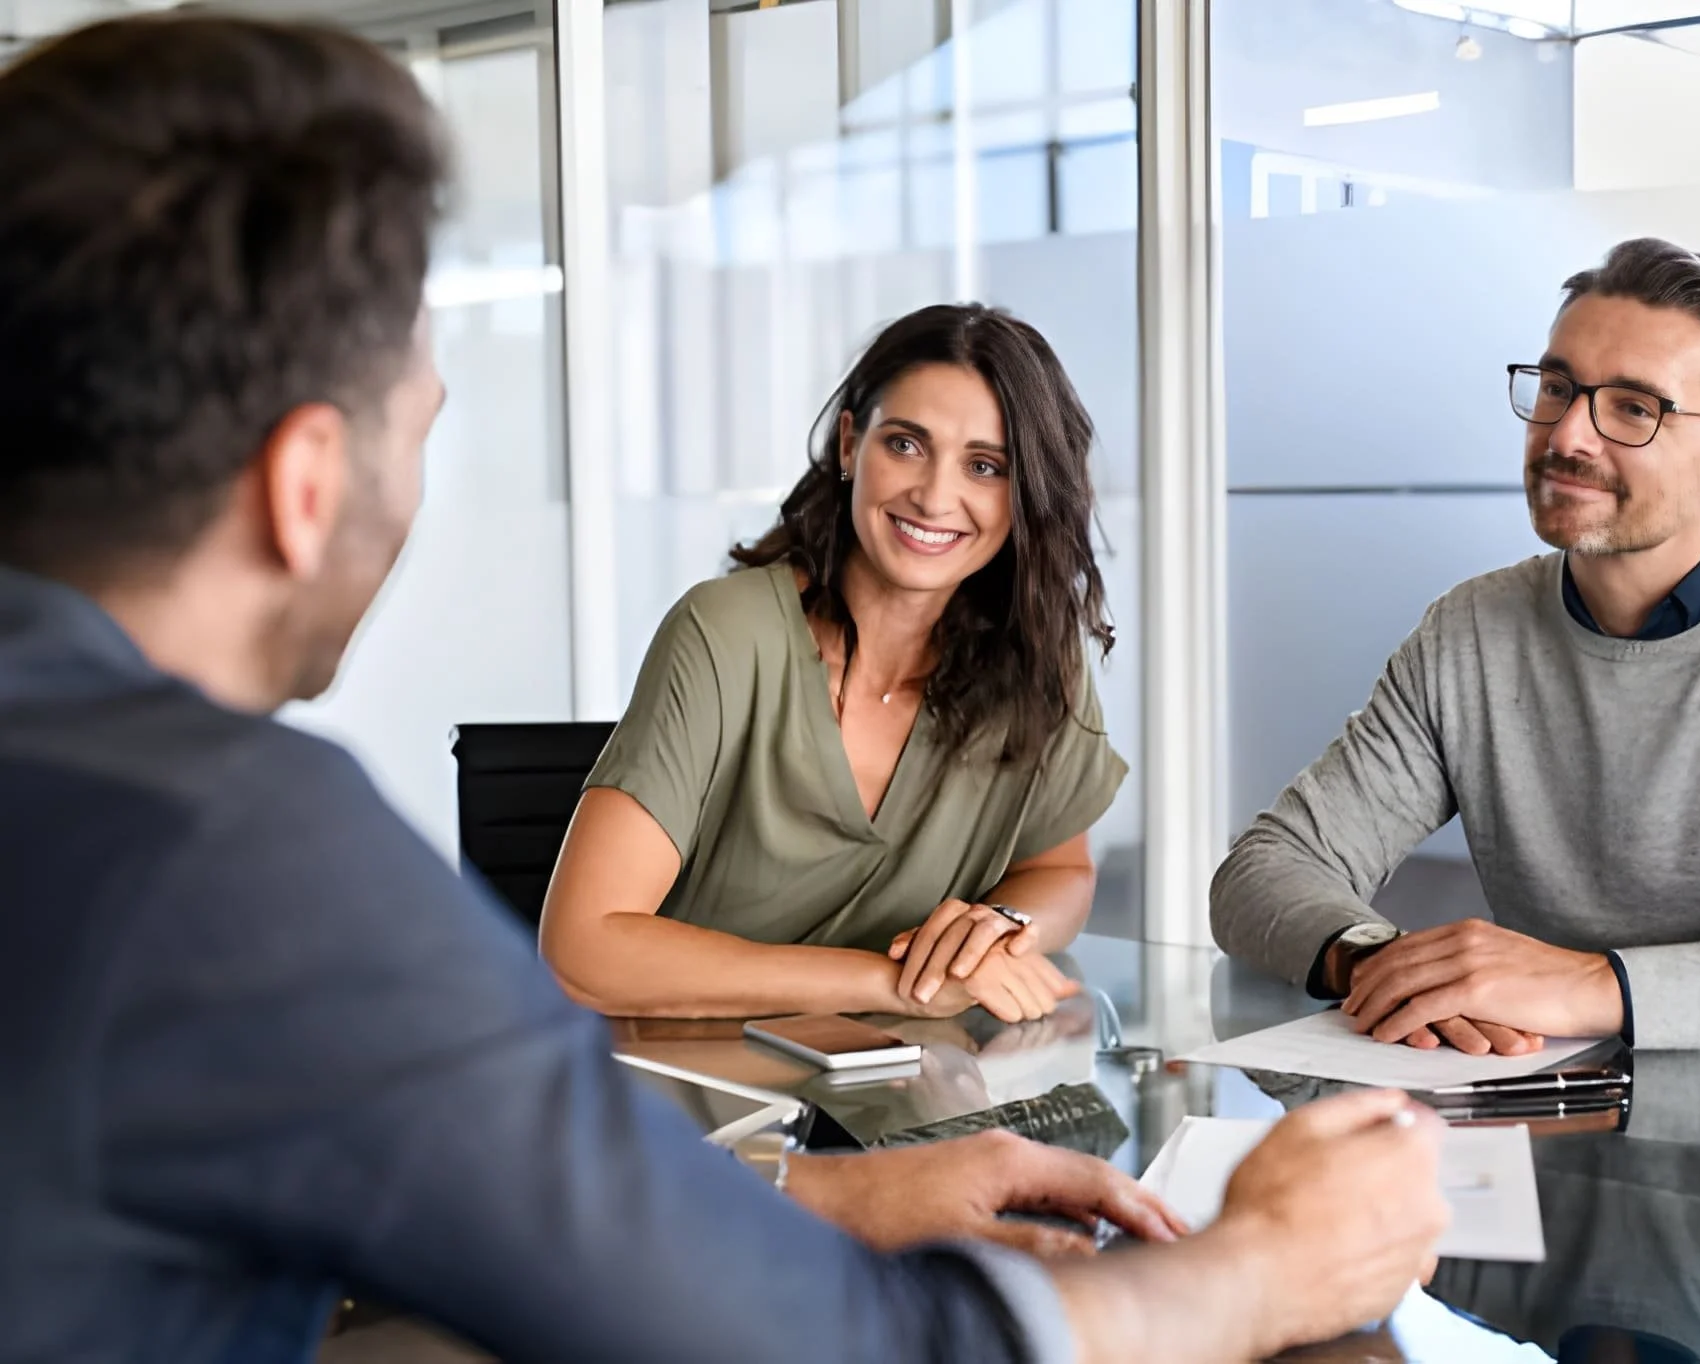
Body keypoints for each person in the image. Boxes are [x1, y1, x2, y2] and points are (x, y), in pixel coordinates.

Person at [0, 14, 1451, 1363]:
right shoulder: (239, 860)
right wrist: (1255, 1267)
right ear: (306, 486)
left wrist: (822, 1203)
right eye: (424, 422)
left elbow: (417, 1210)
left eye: (988, 465)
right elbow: (833, 1344)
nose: (938, 491)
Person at [1211, 237, 1700, 1055]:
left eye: (1635, 408)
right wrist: (1381, 964)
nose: (1568, 436)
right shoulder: (1468, 633)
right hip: (1540, 1130)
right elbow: (1263, 872)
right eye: (1557, 387)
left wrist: (1596, 984)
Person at [541, 304, 1125, 1023]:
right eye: (906, 445)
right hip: (686, 1097)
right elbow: (582, 949)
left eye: (984, 466)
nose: (936, 496)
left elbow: (1058, 869)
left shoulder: (1038, 653)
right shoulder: (725, 634)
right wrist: (892, 985)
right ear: (851, 445)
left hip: (902, 1103)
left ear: (1025, 492)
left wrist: (1000, 930)